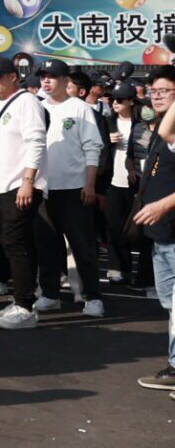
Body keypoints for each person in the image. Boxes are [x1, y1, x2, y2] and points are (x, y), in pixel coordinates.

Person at [0, 54, 47, 331]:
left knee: (18, 245)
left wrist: (29, 180)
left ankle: (25, 305)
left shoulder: (26, 102)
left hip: (19, 187)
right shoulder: (3, 105)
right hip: (2, 188)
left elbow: (36, 142)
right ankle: (20, 301)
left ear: (13, 77)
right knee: (7, 244)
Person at [33, 59, 106, 317]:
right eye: (43, 76)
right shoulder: (37, 108)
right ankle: (50, 294)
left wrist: (89, 184)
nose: (46, 81)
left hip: (74, 189)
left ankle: (93, 296)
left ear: (66, 80)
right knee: (47, 247)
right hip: (43, 190)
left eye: (52, 76)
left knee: (82, 247)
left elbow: (92, 148)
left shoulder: (80, 109)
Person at [129, 67, 175, 392]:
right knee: (172, 306)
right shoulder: (158, 129)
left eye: (164, 91)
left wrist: (163, 205)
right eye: (153, 90)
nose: (155, 95)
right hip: (162, 236)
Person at [103, 81, 152, 290]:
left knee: (139, 231)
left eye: (120, 100)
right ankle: (118, 268)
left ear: (131, 101)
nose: (115, 103)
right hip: (113, 180)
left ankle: (143, 276)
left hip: (138, 183)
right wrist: (107, 139)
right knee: (114, 226)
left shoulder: (143, 121)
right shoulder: (107, 121)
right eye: (113, 99)